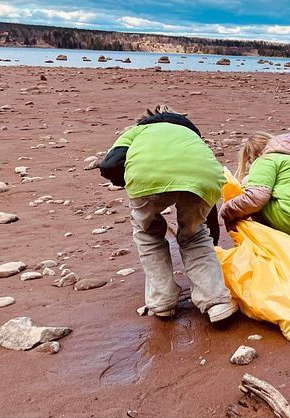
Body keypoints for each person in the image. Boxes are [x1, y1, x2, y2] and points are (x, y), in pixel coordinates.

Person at [99, 105, 238, 323]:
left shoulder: (137, 131)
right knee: (195, 236)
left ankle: (163, 301)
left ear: (146, 120)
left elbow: (109, 164)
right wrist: (210, 235)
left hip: (146, 177)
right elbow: (209, 216)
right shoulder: (190, 134)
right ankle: (217, 302)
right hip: (205, 177)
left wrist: (126, 180)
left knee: (148, 235)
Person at [220, 131, 290, 263]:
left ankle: (273, 247)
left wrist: (227, 211)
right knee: (268, 194)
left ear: (252, 155)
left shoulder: (266, 159)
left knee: (247, 186)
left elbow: (255, 199)